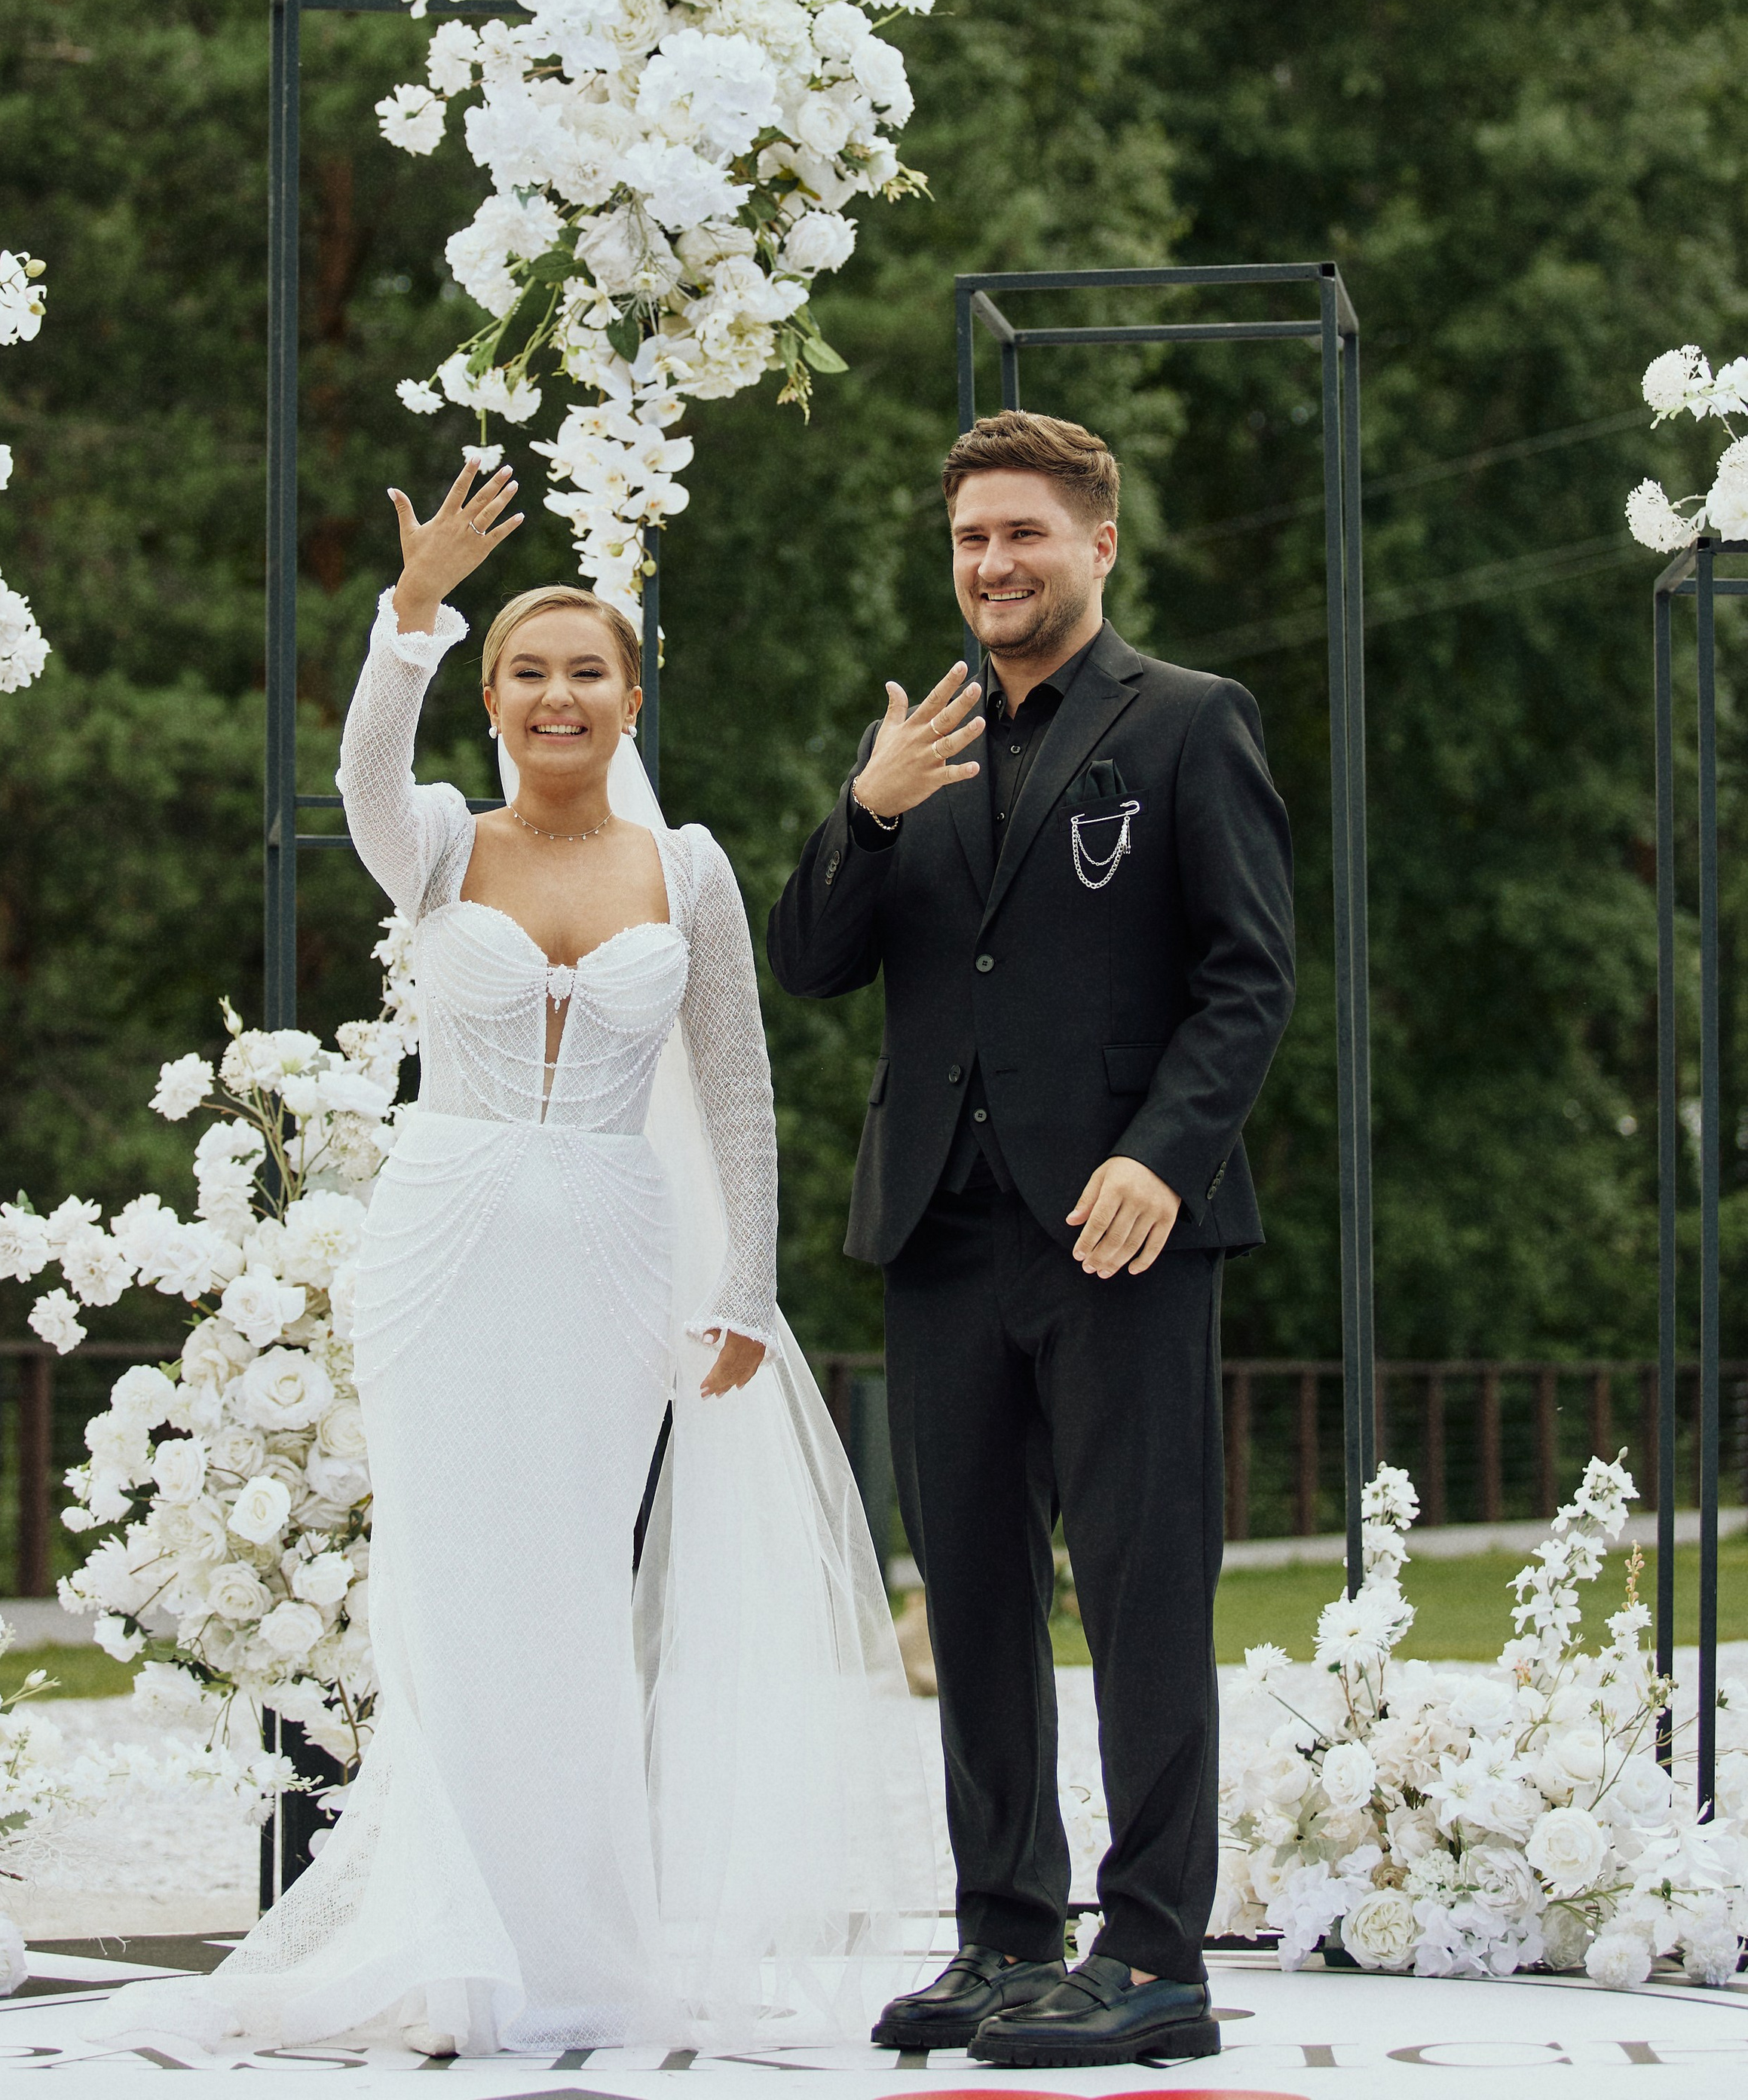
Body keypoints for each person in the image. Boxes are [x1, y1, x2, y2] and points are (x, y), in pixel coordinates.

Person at [102, 461, 930, 2059]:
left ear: (629, 700)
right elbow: (355, 774)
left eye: (587, 672)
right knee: (449, 1603)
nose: (559, 696)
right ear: (494, 700)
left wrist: (743, 1285)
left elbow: (740, 1090)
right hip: (446, 1249)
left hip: (614, 1261)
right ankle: (446, 1950)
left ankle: (568, 1952)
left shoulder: (681, 869)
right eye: (529, 673)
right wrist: (411, 618)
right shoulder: (432, 844)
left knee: (565, 1601)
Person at [768, 409, 1296, 2069]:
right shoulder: (913, 744)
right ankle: (1006, 1937)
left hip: (1121, 1239)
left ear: (1096, 546)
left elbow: (1247, 974)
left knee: (1140, 1600)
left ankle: (1153, 1961)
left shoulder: (1187, 724)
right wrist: (860, 812)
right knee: (976, 1597)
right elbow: (808, 963)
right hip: (936, 1233)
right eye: (969, 540)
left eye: (1022, 535)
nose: (991, 564)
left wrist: (1163, 1155)